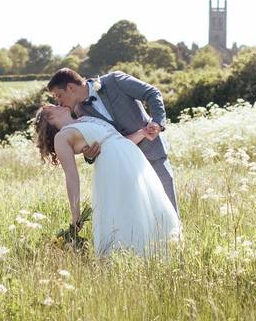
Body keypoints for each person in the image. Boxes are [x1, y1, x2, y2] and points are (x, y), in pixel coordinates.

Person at [34, 104, 182, 257]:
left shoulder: (85, 119)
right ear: (49, 117)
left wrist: (142, 133)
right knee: (126, 208)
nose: (59, 104)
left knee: (146, 202)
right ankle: (129, 255)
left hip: (132, 157)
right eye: (53, 106)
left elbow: (116, 139)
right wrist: (75, 216)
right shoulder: (62, 137)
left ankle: (158, 251)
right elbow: (71, 176)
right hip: (113, 165)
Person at [47, 68, 178, 212]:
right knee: (141, 210)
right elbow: (100, 139)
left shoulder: (115, 80)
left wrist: (158, 122)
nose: (59, 102)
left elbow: (152, 93)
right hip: (123, 164)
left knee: (168, 201)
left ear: (70, 87)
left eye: (59, 95)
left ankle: (175, 234)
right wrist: (90, 156)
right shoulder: (79, 111)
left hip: (151, 149)